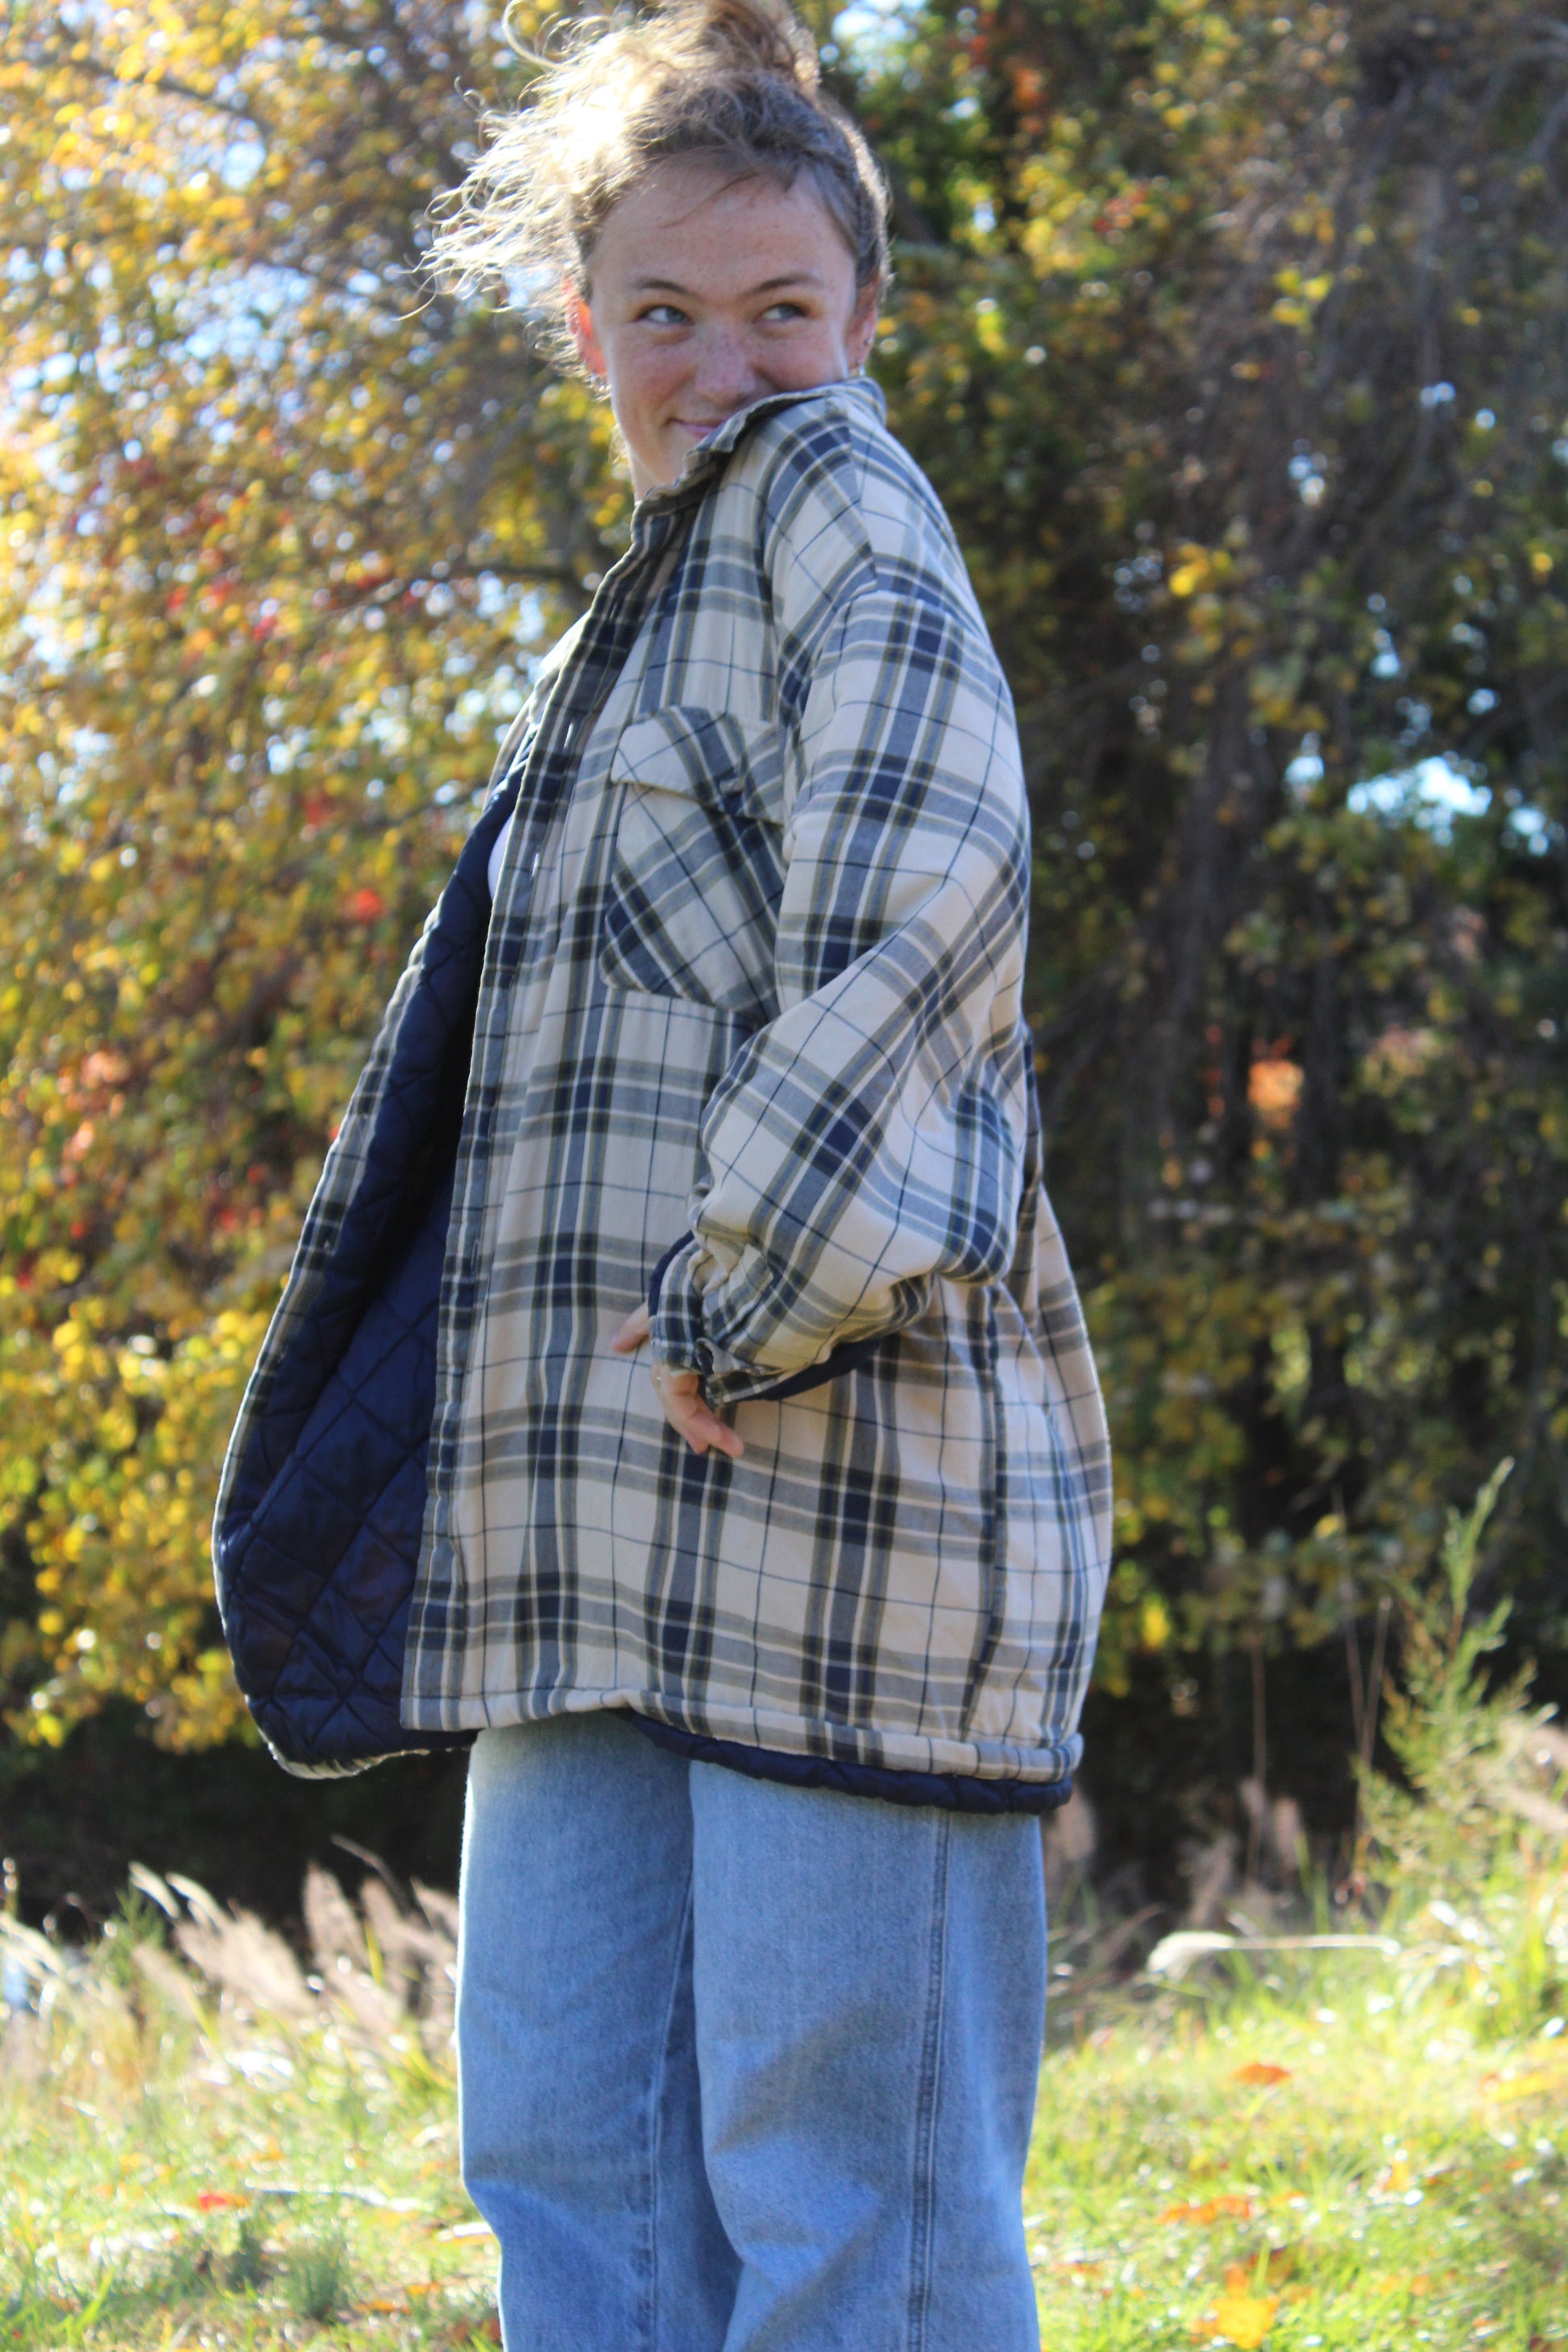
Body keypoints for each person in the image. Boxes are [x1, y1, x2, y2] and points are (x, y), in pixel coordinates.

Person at [230, 2, 1111, 2342]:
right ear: (577, 319)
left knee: (851, 2222)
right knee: (571, 2163)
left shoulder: (841, 502)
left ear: (861, 322)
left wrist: (744, 1292)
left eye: (778, 312)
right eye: (662, 314)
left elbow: (928, 899)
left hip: (826, 1502)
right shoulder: (631, 629)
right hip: (585, 1548)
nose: (720, 364)